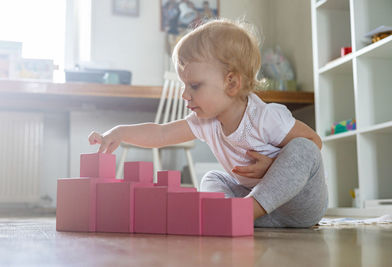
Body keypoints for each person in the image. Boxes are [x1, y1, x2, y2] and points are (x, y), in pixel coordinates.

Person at [88, 18, 328, 228]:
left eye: (194, 85)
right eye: (184, 85)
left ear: (231, 83)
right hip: (260, 211)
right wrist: (119, 132)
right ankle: (228, 214)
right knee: (212, 178)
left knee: (303, 149)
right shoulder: (205, 122)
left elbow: (314, 143)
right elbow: (161, 134)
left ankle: (243, 212)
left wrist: (274, 165)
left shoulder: (266, 117)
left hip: (300, 207)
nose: (184, 94)